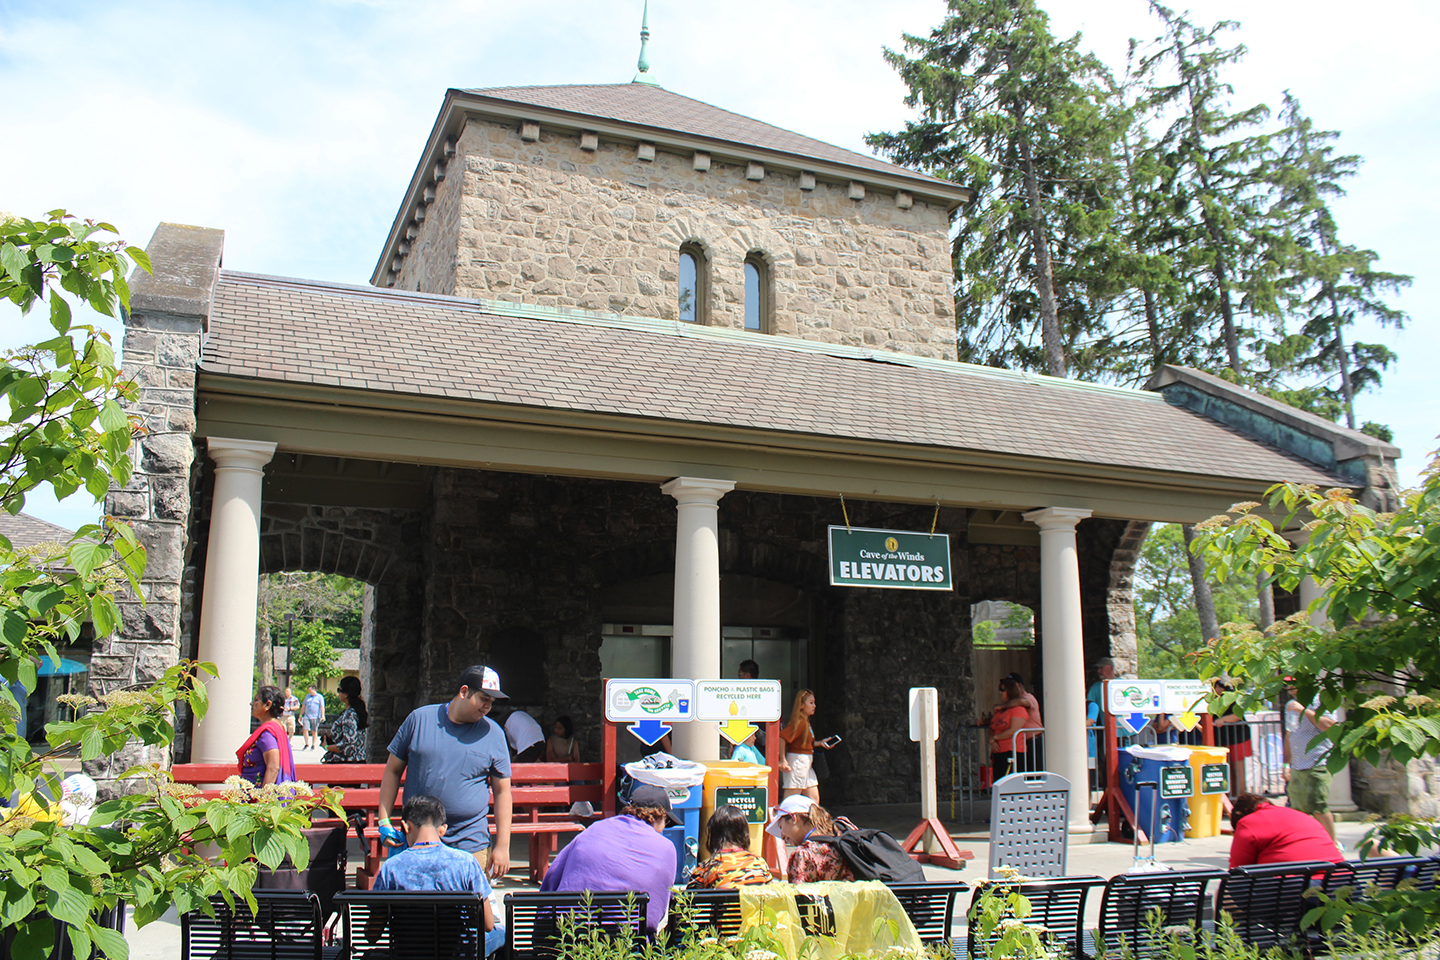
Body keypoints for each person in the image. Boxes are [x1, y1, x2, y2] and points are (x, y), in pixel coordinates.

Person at [379, 665, 513, 879]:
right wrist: (384, 821)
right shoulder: (419, 720)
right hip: (417, 839)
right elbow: (393, 771)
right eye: (483, 699)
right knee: (414, 908)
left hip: (470, 844)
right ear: (464, 692)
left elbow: (502, 792)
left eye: (492, 702)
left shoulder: (494, 733)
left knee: (470, 910)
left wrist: (503, 845)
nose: (487, 707)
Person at [370, 794, 506, 957]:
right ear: (443, 829)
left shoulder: (391, 868)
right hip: (456, 953)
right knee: (501, 933)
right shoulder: (465, 862)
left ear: (406, 827)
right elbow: (488, 924)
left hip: (408, 954)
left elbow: (372, 934)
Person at [540, 783, 677, 932]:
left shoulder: (593, 829)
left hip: (569, 937)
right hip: (629, 944)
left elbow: (552, 878)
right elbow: (657, 909)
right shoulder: (666, 847)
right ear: (660, 816)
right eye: (667, 822)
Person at [1283, 681, 1338, 842]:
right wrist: (1286, 764)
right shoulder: (1290, 704)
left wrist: (1304, 710)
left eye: (1294, 683)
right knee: (1297, 808)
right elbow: (1289, 735)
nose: (1290, 687)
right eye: (1287, 683)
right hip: (1298, 765)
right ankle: (1306, 845)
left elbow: (1330, 726)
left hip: (1317, 761)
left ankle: (1332, 845)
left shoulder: (1321, 701)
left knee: (1317, 804)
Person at [1228, 793, 1344, 868]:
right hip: (1342, 881)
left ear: (1240, 815)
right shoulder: (1302, 816)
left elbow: (1237, 870)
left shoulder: (1248, 822)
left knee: (1229, 893)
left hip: (1294, 889)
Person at [766, 794, 852, 883]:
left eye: (780, 827)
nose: (783, 836)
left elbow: (797, 894)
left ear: (793, 819)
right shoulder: (845, 828)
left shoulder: (804, 855)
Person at [689, 804, 772, 888]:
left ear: (713, 834)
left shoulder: (705, 868)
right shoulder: (760, 864)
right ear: (744, 833)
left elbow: (688, 899)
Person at [779, 689, 833, 801]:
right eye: (811, 703)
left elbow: (805, 743)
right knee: (791, 799)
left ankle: (812, 818)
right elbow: (782, 737)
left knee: (814, 798)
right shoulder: (800, 722)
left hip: (806, 763)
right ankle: (783, 817)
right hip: (798, 762)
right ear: (802, 705)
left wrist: (820, 743)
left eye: (814, 702)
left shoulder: (805, 722)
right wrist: (782, 760)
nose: (814, 706)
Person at [238, 685, 297, 786]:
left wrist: (263, 798)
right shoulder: (277, 727)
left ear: (267, 705)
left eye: (256, 700)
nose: (252, 703)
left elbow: (273, 767)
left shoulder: (268, 733)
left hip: (258, 796)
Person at [1212, 679, 1252, 794]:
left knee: (1237, 769)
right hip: (1224, 738)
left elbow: (1238, 715)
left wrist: (1223, 719)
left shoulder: (1233, 698)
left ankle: (1240, 795)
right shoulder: (1214, 701)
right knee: (1228, 769)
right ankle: (1231, 796)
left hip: (1238, 738)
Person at [988, 677, 1030, 781]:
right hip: (998, 752)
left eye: (1003, 690)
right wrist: (992, 740)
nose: (1000, 693)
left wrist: (995, 738)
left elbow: (1013, 730)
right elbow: (992, 726)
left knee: (1011, 781)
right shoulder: (999, 710)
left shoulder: (1018, 709)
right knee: (999, 781)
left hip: (1013, 751)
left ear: (1010, 691)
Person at [322, 675, 369, 764]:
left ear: (346, 694)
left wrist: (327, 746)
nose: (338, 693)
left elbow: (348, 744)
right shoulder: (356, 712)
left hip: (347, 762)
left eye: (339, 690)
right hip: (357, 760)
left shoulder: (349, 715)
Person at [301, 685, 326, 750]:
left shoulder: (319, 697)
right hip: (307, 715)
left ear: (314, 690)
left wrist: (322, 715)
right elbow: (304, 706)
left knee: (314, 731)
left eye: (310, 690)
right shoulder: (307, 696)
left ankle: (313, 744)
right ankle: (307, 744)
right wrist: (301, 715)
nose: (309, 691)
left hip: (315, 716)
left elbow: (322, 706)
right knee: (305, 729)